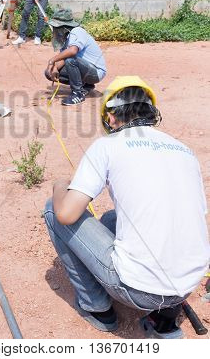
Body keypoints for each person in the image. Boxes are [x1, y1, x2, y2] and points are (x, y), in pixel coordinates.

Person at [44, 76, 209, 339]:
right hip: (187, 284)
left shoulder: (107, 146)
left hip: (141, 291)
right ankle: (165, 313)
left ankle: (97, 307)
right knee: (111, 218)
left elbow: (66, 214)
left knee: (54, 210)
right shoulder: (184, 150)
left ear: (110, 117)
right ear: (150, 110)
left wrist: (59, 186)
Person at [45, 9, 107, 106]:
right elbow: (63, 58)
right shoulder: (66, 38)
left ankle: (78, 94)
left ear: (64, 26)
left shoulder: (77, 31)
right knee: (49, 72)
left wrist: (51, 60)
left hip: (96, 72)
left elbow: (73, 51)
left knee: (71, 60)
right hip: (84, 69)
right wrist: (54, 68)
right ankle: (86, 85)